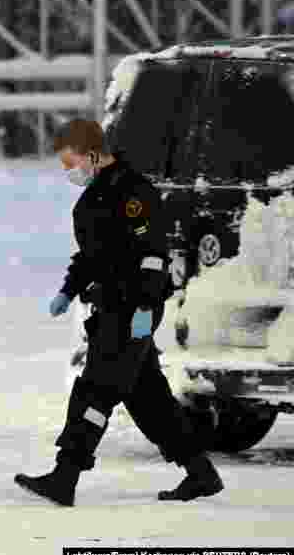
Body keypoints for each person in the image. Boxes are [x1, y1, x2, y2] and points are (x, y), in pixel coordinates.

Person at [15, 118, 223, 506]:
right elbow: (92, 257)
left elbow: (153, 256)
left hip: (132, 310)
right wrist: (68, 289)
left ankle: (66, 475)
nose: (68, 171)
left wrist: (144, 307)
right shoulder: (93, 198)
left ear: (92, 154)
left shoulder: (134, 194)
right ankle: (200, 472)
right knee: (149, 399)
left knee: (96, 389)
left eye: (70, 162)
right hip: (111, 305)